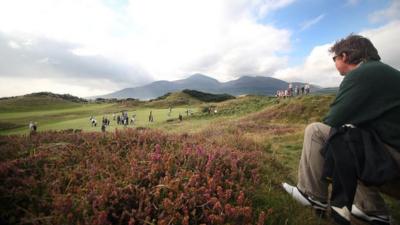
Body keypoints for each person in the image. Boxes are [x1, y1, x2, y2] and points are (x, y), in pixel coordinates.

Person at [282, 34, 400, 225]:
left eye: (334, 58)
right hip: (391, 155)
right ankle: (371, 209)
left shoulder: (362, 74)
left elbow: (332, 120)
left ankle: (311, 195)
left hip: (394, 162)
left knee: (318, 131)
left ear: (344, 56)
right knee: (353, 136)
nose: (335, 62)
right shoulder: (383, 72)